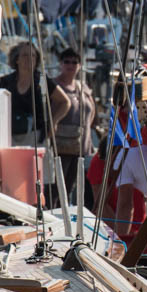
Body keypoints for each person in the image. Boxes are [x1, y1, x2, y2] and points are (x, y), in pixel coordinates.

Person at [47, 46, 96, 202]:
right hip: (60, 145)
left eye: (74, 62)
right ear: (60, 63)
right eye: (66, 61)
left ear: (79, 66)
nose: (70, 65)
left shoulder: (83, 87)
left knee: (69, 188)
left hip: (79, 146)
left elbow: (92, 111)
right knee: (55, 189)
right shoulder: (54, 86)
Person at [0, 42, 43, 143]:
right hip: (9, 136)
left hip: (34, 137)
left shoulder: (42, 80)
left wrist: (53, 125)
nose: (29, 58)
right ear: (17, 59)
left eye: (33, 55)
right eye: (25, 55)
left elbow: (64, 102)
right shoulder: (6, 81)